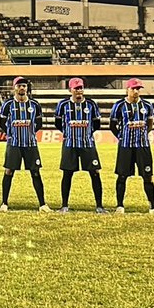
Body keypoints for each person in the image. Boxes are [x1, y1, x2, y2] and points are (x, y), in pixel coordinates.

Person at [110, 78, 154, 214]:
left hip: (143, 146)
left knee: (147, 176)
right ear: (127, 90)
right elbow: (112, 126)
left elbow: (150, 124)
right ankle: (120, 206)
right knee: (122, 176)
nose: (136, 91)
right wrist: (122, 137)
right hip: (125, 146)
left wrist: (143, 134)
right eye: (133, 89)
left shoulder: (147, 105)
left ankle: (153, 207)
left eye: (138, 89)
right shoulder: (119, 105)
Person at [54, 78, 105, 213]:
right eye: (76, 88)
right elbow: (58, 123)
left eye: (81, 88)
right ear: (70, 90)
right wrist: (68, 133)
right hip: (69, 144)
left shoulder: (91, 105)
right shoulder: (63, 105)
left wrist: (86, 134)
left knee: (94, 173)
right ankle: (64, 205)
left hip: (87, 144)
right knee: (67, 174)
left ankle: (99, 206)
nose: (79, 91)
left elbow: (96, 124)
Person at [0, 76, 49, 212]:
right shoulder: (8, 105)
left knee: (35, 172)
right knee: (9, 171)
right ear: (14, 88)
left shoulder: (35, 105)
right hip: (14, 144)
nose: (22, 88)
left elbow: (38, 123)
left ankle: (42, 204)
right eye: (19, 85)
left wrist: (30, 133)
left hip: (30, 144)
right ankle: (4, 203)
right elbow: (2, 124)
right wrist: (12, 133)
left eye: (24, 86)